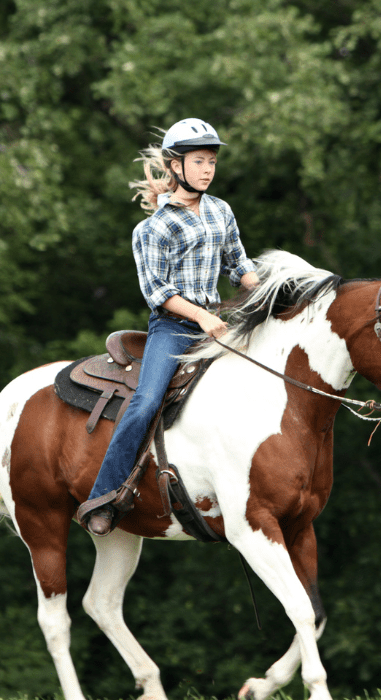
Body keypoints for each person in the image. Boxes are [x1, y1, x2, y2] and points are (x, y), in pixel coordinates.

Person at [76, 118, 260, 536]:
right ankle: (105, 495)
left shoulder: (221, 210)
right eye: (199, 161)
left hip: (217, 324)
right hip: (175, 328)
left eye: (212, 161)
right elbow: (157, 292)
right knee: (145, 403)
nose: (208, 170)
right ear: (176, 166)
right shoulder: (152, 228)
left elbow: (239, 263)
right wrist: (202, 316)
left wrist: (270, 291)